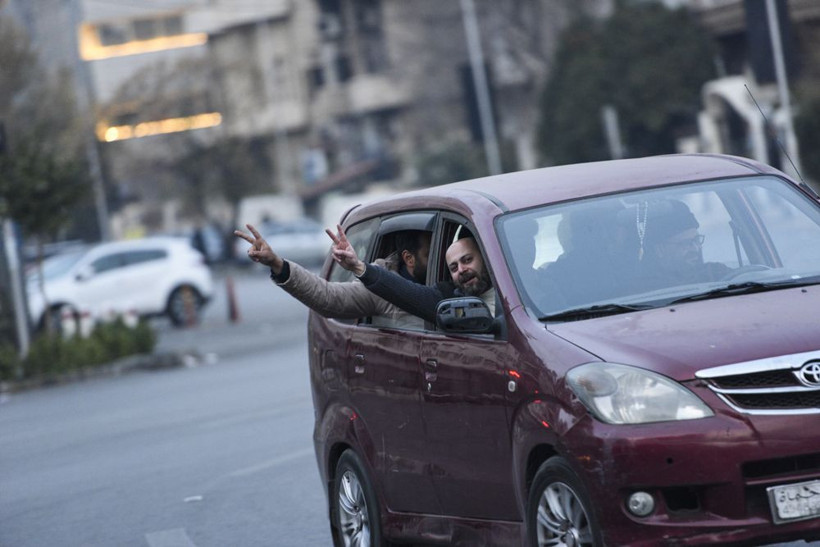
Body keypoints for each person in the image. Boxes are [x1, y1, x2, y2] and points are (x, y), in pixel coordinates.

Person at [234, 223, 430, 328]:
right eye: (430, 254)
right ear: (409, 258)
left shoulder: (449, 283)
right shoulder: (381, 285)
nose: (454, 266)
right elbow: (329, 297)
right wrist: (277, 263)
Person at [328, 225, 496, 324]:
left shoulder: (516, 288)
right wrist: (359, 267)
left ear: (486, 257)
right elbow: (406, 292)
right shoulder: (448, 301)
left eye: (467, 260)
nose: (461, 270)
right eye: (453, 268)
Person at [637, 199, 730, 289]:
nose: (696, 248)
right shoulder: (647, 289)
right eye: (686, 243)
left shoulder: (716, 273)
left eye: (696, 240)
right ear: (660, 249)